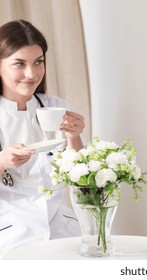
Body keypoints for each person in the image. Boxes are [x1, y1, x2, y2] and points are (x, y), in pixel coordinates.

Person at [0, 19, 85, 255]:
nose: (31, 73)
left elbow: (81, 176)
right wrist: (3, 162)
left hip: (61, 228)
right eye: (19, 64)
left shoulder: (55, 107)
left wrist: (75, 137)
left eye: (38, 62)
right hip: (11, 234)